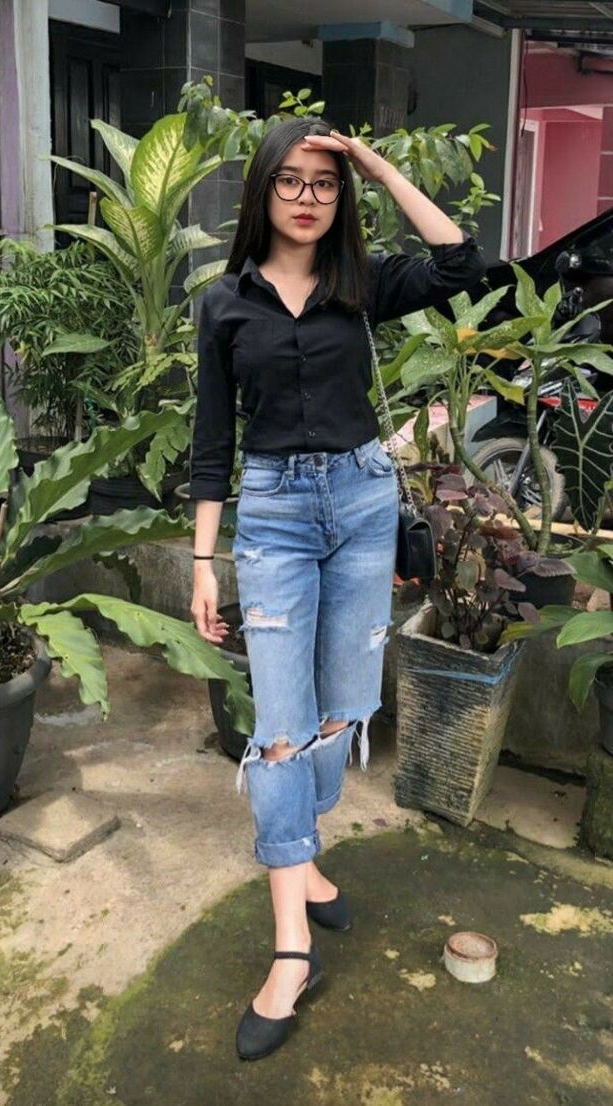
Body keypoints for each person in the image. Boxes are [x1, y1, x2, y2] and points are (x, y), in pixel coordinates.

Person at [189, 117, 486, 1061]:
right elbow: (210, 444)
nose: (308, 197)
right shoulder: (224, 304)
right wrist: (204, 564)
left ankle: (306, 861)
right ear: (262, 190)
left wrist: (375, 164)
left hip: (361, 505)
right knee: (279, 727)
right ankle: (291, 947)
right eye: (292, 179)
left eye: (325, 182)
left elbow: (460, 261)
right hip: (275, 516)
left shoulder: (361, 284)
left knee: (342, 708)